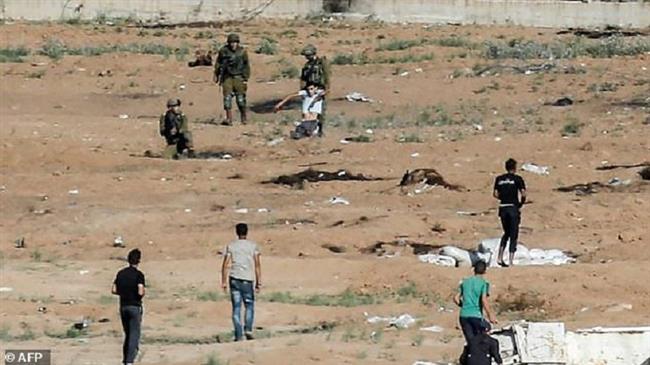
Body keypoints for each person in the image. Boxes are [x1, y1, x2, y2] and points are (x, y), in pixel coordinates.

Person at [221, 223, 262, 341]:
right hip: (247, 278)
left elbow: (225, 264)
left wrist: (223, 281)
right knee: (249, 305)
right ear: (247, 232)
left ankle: (238, 334)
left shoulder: (231, 246)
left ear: (236, 232)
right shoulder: (253, 246)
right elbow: (257, 265)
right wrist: (259, 282)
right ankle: (248, 329)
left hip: (234, 278)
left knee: (236, 307)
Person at [112, 249, 146, 365]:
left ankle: (126, 358)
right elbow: (140, 291)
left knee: (127, 334)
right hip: (134, 306)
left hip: (123, 306)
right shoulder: (139, 275)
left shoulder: (121, 273)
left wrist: (124, 293)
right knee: (134, 334)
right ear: (138, 261)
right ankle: (130, 361)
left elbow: (114, 290)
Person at [493, 158, 527, 267]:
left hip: (503, 207)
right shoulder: (518, 179)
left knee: (506, 233)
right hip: (513, 207)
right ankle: (511, 261)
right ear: (515, 168)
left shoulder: (499, 179)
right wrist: (521, 203)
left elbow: (495, 194)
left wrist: (503, 197)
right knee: (514, 234)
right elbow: (523, 193)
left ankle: (499, 257)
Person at [453, 260, 498, 344]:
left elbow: (455, 298)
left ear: (473, 269)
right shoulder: (483, 283)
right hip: (476, 315)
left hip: (463, 315)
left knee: (470, 342)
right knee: (481, 339)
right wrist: (490, 315)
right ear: (485, 271)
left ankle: (469, 355)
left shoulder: (465, 282)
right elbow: (484, 300)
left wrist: (463, 305)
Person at [214, 33, 250, 125]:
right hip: (227, 77)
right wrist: (216, 74)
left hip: (239, 77)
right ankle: (229, 118)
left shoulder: (242, 52)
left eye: (235, 42)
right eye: (231, 42)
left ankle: (243, 117)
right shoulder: (223, 51)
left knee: (240, 99)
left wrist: (245, 78)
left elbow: (246, 66)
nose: (233, 44)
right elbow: (218, 63)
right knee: (227, 98)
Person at [300, 44, 330, 136]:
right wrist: (303, 90)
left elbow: (326, 76)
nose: (306, 57)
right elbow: (303, 78)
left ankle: (320, 130)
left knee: (319, 111)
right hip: (309, 89)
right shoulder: (307, 65)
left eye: (307, 55)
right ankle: (309, 129)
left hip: (319, 89)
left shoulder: (321, 63)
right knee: (307, 111)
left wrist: (327, 89)